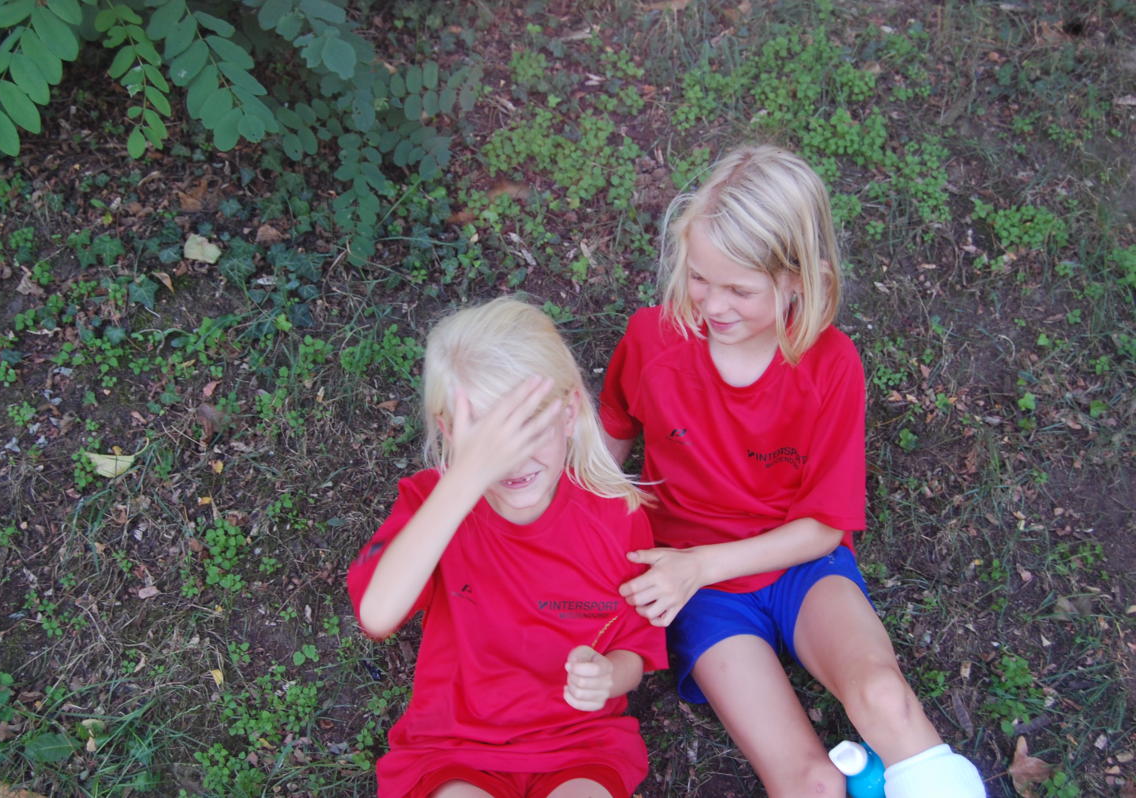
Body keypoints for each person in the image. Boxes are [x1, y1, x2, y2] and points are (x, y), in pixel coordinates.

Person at [598, 146, 987, 798]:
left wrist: (699, 565)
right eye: (699, 277)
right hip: (703, 595)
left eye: (740, 290)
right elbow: (613, 430)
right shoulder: (653, 341)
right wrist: (588, 526)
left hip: (800, 565)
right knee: (810, 782)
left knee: (883, 695)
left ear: (798, 281)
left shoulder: (830, 366)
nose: (712, 305)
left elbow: (824, 528)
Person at [348, 297, 667, 798]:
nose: (513, 462)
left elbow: (635, 646)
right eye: (488, 439)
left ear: (568, 413)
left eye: (529, 428)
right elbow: (377, 615)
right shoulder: (431, 508)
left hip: (579, 746)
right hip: (453, 749)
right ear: (450, 432)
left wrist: (609, 676)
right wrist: (468, 476)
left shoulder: (616, 516)